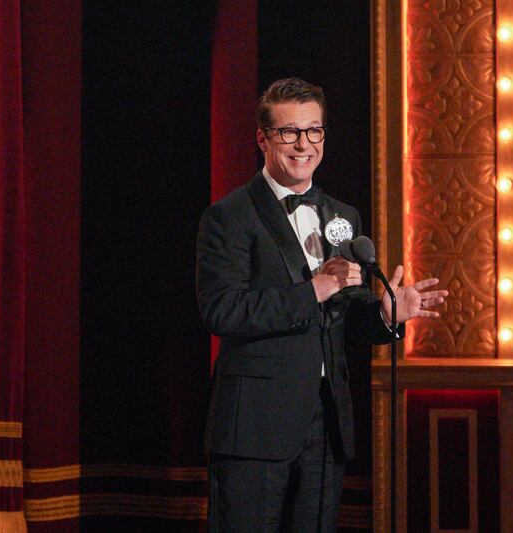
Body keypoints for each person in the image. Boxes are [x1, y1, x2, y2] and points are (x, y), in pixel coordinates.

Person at [196, 77, 447, 532]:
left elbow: (344, 312)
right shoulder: (229, 216)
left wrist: (385, 314)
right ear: (263, 139)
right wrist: (313, 289)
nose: (303, 144)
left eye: (313, 131)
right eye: (288, 132)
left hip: (326, 424)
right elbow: (223, 310)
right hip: (255, 427)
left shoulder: (342, 215)